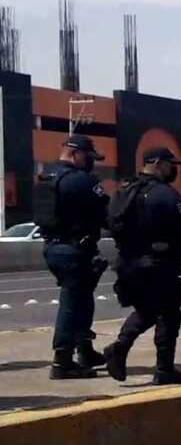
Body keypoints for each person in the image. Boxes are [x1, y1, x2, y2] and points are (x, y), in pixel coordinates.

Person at [103, 147, 181, 385]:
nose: (173, 169)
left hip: (128, 263)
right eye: (170, 164)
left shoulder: (124, 190)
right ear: (156, 163)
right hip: (159, 263)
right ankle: (163, 368)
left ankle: (121, 348)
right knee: (169, 313)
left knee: (148, 310)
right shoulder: (166, 194)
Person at [35, 134, 111, 379]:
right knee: (72, 302)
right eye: (89, 157)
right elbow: (107, 213)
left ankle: (85, 350)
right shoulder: (81, 180)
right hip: (74, 249)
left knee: (82, 298)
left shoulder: (47, 176)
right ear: (75, 153)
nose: (91, 162)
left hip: (53, 246)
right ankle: (63, 361)